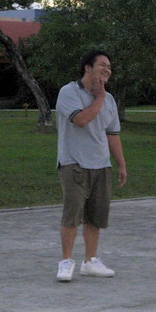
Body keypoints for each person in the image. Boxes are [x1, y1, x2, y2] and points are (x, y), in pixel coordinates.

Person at [55, 49, 127, 282]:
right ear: (88, 67)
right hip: (73, 163)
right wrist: (99, 97)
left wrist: (121, 165)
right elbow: (82, 120)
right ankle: (66, 262)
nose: (107, 69)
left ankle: (90, 261)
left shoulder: (109, 99)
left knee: (96, 216)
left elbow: (112, 134)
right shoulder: (69, 92)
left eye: (109, 67)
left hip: (100, 164)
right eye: (102, 65)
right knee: (72, 214)